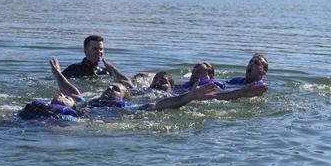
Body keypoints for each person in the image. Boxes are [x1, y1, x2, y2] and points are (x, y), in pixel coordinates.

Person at [52, 57, 217, 111]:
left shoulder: (128, 109)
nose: (109, 88)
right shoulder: (91, 102)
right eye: (109, 87)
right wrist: (58, 74)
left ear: (124, 97)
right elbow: (73, 93)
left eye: (115, 88)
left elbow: (159, 104)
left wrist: (190, 96)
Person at [103, 58, 268, 102]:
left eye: (200, 72)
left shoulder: (208, 87)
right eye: (193, 71)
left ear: (210, 77)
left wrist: (240, 93)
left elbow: (217, 96)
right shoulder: (183, 85)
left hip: (180, 98)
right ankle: (113, 70)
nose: (195, 74)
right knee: (128, 88)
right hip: (173, 95)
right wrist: (150, 75)